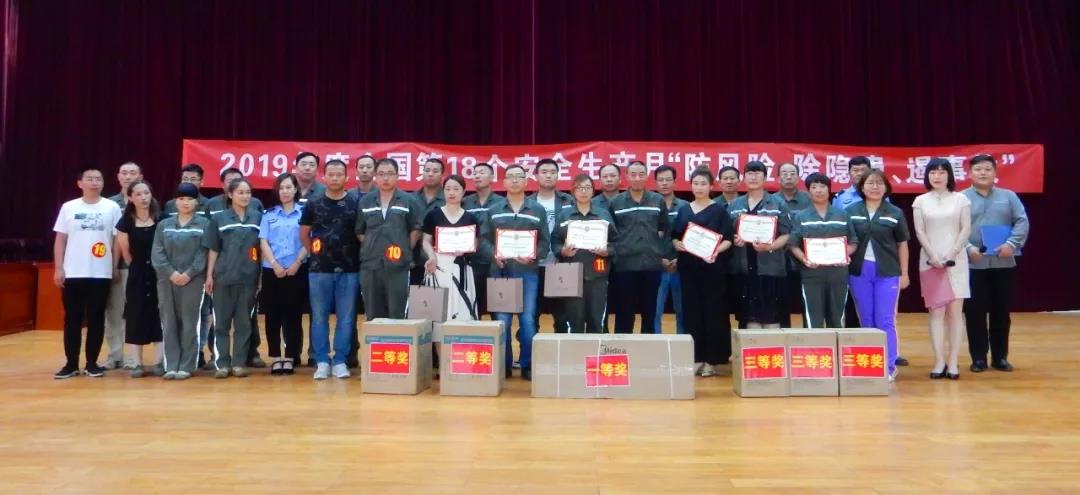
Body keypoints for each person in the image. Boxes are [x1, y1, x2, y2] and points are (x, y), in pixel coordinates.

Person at [52, 167, 124, 379]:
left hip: (101, 272)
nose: (94, 182)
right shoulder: (69, 207)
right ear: (80, 183)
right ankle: (71, 364)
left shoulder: (111, 207)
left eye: (98, 179)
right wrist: (58, 268)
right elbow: (60, 239)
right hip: (73, 271)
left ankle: (92, 363)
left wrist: (113, 266)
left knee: (96, 318)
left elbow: (116, 240)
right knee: (72, 319)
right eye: (90, 179)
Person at [963, 154, 1029, 373]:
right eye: (978, 169)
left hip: (1004, 263)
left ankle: (1000, 357)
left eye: (987, 169)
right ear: (969, 173)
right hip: (973, 265)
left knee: (1001, 311)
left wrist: (1011, 243)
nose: (983, 173)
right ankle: (978, 358)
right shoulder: (961, 199)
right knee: (975, 312)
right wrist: (968, 248)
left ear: (995, 172)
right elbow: (954, 229)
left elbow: (1022, 221)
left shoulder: (1009, 196)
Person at [846, 169, 910, 381]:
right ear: (861, 187)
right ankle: (870, 363)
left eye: (879, 183)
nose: (875, 187)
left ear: (886, 187)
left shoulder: (894, 212)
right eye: (870, 183)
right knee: (866, 319)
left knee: (885, 319)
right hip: (859, 271)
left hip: (887, 271)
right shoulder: (851, 211)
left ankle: (889, 366)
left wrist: (904, 273)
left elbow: (902, 244)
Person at [487, 164, 550, 380]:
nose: (514, 180)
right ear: (504, 182)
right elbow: (484, 239)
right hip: (501, 273)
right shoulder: (494, 209)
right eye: (510, 177)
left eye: (519, 177)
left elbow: (545, 243)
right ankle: (504, 365)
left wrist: (533, 255)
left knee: (528, 320)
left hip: (528, 272)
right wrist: (494, 253)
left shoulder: (537, 209)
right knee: (502, 321)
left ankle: (527, 365)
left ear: (526, 181)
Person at [300, 159, 361, 380]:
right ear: (323, 177)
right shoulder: (313, 203)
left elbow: (360, 233)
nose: (335, 178)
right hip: (319, 270)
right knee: (319, 317)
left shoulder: (356, 203)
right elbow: (304, 234)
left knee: (346, 318)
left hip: (349, 269)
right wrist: (316, 254)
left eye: (339, 175)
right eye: (331, 175)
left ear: (347, 177)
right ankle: (322, 361)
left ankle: (340, 361)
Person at [912, 158, 971, 380]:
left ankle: (953, 361)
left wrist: (952, 253)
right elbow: (920, 231)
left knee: (955, 313)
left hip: (956, 261)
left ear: (949, 175)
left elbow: (965, 229)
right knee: (936, 312)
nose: (937, 176)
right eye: (933, 172)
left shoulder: (961, 199)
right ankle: (939, 361)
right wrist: (933, 255)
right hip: (930, 261)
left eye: (942, 172)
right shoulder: (920, 201)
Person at [671, 167, 734, 376]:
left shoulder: (719, 210)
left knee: (713, 312)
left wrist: (716, 250)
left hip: (712, 268)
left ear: (711, 186)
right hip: (689, 269)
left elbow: (728, 239)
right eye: (695, 183)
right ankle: (696, 357)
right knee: (692, 312)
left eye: (703, 184)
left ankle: (712, 360)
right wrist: (677, 244)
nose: (699, 187)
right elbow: (675, 236)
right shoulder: (684, 209)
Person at [202, 167, 266, 369]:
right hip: (222, 277)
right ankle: (222, 363)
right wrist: (209, 275)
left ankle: (239, 363)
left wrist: (260, 276)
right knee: (221, 324)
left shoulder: (258, 217)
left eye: (248, 192)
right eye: (240, 192)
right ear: (230, 195)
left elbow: (262, 248)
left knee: (244, 324)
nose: (245, 196)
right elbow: (213, 248)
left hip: (249, 278)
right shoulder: (219, 219)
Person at [151, 183, 210, 380]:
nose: (185, 203)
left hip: (193, 281)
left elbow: (204, 253)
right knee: (168, 322)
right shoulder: (164, 225)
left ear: (196, 202)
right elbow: (157, 253)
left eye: (190, 199)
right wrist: (171, 273)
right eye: (181, 199)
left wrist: (189, 273)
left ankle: (187, 365)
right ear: (175, 201)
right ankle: (171, 365)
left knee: (190, 322)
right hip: (166, 280)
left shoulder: (204, 224)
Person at [355, 157, 424, 320]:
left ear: (397, 176)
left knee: (397, 313)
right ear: (375, 176)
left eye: (390, 174)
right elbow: (360, 231)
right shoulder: (366, 201)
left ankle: (397, 338)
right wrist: (372, 246)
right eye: (381, 174)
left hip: (399, 266)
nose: (385, 178)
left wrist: (405, 247)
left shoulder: (409, 200)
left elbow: (416, 228)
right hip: (371, 266)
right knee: (373, 314)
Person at [788, 173, 858, 329]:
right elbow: (793, 244)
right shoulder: (801, 216)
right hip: (812, 274)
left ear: (829, 189)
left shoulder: (842, 214)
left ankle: (836, 345)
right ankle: (814, 346)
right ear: (808, 192)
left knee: (837, 318)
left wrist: (845, 254)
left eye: (822, 186)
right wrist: (804, 258)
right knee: (813, 320)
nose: (818, 190)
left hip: (838, 273)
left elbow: (853, 241)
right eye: (814, 187)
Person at [728, 161, 792, 329]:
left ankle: (771, 346)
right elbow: (728, 234)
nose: (753, 177)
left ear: (765, 178)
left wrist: (769, 247)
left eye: (758, 173)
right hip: (744, 269)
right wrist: (735, 239)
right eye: (750, 173)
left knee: (772, 318)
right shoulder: (735, 205)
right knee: (749, 319)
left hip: (770, 269)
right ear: (743, 178)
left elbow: (787, 234)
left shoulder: (778, 203)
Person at [552, 173, 618, 334]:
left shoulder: (603, 215)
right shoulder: (564, 215)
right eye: (579, 188)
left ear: (593, 191)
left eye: (587, 187)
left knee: (596, 322)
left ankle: (594, 351)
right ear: (573, 191)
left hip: (598, 275)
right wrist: (562, 251)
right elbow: (555, 242)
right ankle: (575, 351)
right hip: (571, 277)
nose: (583, 191)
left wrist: (606, 251)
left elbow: (616, 242)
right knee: (574, 322)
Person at [610, 161, 669, 334]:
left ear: (647, 176)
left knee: (650, 312)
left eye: (641, 174)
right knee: (624, 313)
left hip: (651, 265)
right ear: (626, 177)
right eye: (633, 174)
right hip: (624, 266)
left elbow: (663, 228)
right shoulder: (616, 202)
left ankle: (647, 348)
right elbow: (611, 233)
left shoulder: (657, 200)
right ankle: (622, 347)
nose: (637, 178)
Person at [115, 180, 164, 378]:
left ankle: (160, 362)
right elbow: (126, 254)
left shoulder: (161, 218)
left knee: (160, 315)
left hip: (159, 273)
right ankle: (136, 363)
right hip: (137, 274)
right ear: (130, 198)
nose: (144, 197)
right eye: (138, 194)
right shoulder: (125, 222)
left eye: (146, 193)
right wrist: (138, 268)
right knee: (136, 315)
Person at [260, 173, 308, 376]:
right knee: (272, 315)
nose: (285, 191)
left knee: (293, 316)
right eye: (281, 188)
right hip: (272, 270)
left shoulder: (304, 213)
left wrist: (297, 262)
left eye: (289, 187)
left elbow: (309, 239)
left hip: (296, 269)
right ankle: (275, 356)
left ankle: (290, 356)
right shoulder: (269, 214)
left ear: (296, 189)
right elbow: (263, 241)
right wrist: (274, 264)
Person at [422, 174, 488, 321]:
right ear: (443, 191)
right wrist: (432, 257)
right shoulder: (433, 215)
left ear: (463, 192)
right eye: (448, 189)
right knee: (438, 312)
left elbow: (475, 243)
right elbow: (426, 241)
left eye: (456, 189)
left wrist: (465, 250)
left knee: (462, 310)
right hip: (438, 266)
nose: (451, 192)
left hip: (461, 267)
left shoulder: (470, 218)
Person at [103, 161, 143, 370]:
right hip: (114, 266)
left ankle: (133, 356)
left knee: (135, 311)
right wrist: (111, 265)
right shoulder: (109, 204)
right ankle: (114, 355)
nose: (128, 177)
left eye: (133, 173)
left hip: (139, 266)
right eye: (124, 173)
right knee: (114, 311)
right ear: (118, 177)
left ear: (141, 177)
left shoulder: (147, 202)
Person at [528, 158, 575, 333]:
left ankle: (562, 348)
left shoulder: (568, 200)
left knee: (563, 316)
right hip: (532, 265)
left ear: (558, 175)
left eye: (553, 172)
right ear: (536, 176)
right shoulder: (527, 203)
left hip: (560, 263)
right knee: (531, 315)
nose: (549, 176)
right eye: (544, 172)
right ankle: (531, 348)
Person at [463, 162, 508, 318]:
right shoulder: (465, 202)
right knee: (473, 309)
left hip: (495, 263)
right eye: (475, 173)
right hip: (471, 263)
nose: (477, 176)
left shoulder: (502, 202)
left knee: (498, 309)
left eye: (482, 172)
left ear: (492, 177)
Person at [773, 162, 811, 328]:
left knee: (807, 303)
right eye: (784, 173)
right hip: (778, 259)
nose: (788, 177)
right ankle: (784, 336)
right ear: (778, 178)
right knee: (781, 302)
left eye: (792, 173)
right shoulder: (771, 201)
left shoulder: (810, 199)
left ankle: (809, 337)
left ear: (799, 177)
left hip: (805, 259)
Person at [654, 165, 688, 334]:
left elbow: (691, 235)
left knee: (682, 310)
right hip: (656, 265)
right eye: (661, 180)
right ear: (655, 183)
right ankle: (656, 342)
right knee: (655, 310)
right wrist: (658, 259)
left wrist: (679, 259)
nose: (664, 183)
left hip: (680, 265)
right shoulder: (650, 205)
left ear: (675, 182)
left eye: (668, 179)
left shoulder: (686, 206)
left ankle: (681, 341)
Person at [594, 163, 622, 332]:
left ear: (620, 179)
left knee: (624, 304)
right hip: (599, 259)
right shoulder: (592, 203)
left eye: (613, 176)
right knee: (599, 301)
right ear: (599, 180)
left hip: (625, 259)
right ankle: (601, 335)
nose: (609, 179)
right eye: (605, 176)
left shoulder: (627, 200)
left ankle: (621, 339)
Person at [715, 165, 743, 331]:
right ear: (719, 182)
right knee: (720, 307)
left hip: (742, 262)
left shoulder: (746, 202)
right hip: (719, 263)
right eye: (725, 178)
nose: (729, 181)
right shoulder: (712, 205)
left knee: (743, 308)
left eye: (732, 178)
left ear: (739, 181)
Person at [411, 158, 446, 285]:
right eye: (427, 170)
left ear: (442, 175)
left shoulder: (448, 199)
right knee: (415, 296)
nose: (430, 174)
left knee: (439, 296)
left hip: (440, 262)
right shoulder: (411, 198)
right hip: (413, 262)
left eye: (435, 171)